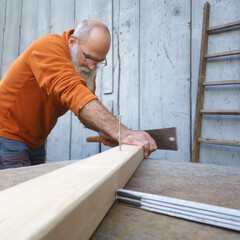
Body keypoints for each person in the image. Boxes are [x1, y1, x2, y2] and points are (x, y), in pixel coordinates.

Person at [0, 19, 157, 169]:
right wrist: (122, 132)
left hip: (36, 139)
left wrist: (105, 130)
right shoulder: (48, 47)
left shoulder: (84, 70)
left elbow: (83, 111)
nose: (92, 67)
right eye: (88, 58)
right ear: (72, 42)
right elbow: (74, 93)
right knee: (19, 193)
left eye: (98, 62)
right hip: (7, 132)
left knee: (35, 186)